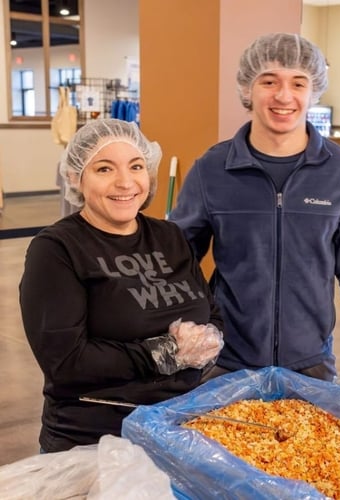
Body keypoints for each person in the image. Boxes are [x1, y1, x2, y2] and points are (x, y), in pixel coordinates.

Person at [170, 33, 340, 382]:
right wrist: (188, 332)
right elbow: (178, 261)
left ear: (313, 91)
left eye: (298, 83)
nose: (284, 96)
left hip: (312, 363)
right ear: (247, 90)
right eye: (269, 81)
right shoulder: (212, 169)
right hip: (225, 362)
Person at [19, 119, 224, 453]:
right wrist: (167, 353)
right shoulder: (57, 249)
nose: (125, 182)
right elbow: (66, 363)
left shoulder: (170, 236)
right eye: (104, 169)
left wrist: (210, 338)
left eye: (136, 166)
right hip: (94, 441)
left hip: (179, 429)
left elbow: (210, 311)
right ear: (75, 178)